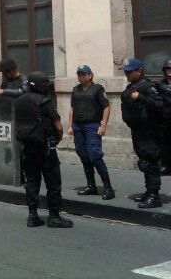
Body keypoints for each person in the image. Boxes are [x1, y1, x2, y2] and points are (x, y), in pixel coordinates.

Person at [15, 71, 72, 228]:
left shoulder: (19, 101)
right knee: (53, 183)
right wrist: (58, 138)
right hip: (45, 147)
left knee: (32, 182)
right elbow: (58, 124)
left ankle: (33, 216)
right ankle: (54, 217)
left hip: (27, 147)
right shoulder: (44, 102)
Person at [120, 58, 165, 209]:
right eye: (126, 72)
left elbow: (158, 105)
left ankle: (154, 195)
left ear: (139, 70)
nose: (127, 74)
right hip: (137, 130)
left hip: (149, 132)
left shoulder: (148, 87)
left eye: (129, 71)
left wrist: (140, 97)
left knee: (151, 162)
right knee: (144, 162)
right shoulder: (132, 86)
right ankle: (149, 190)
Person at [67, 65, 114, 200]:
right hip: (78, 126)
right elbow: (72, 109)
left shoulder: (97, 89)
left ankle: (108, 187)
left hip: (92, 125)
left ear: (90, 75)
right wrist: (70, 126)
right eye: (79, 74)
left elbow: (106, 107)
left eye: (83, 74)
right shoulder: (75, 90)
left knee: (95, 155)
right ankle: (91, 186)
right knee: (83, 155)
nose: (81, 77)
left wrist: (103, 125)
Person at [157, 59, 171, 176]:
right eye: (167, 69)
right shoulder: (160, 85)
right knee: (165, 144)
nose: (169, 71)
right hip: (165, 119)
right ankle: (165, 166)